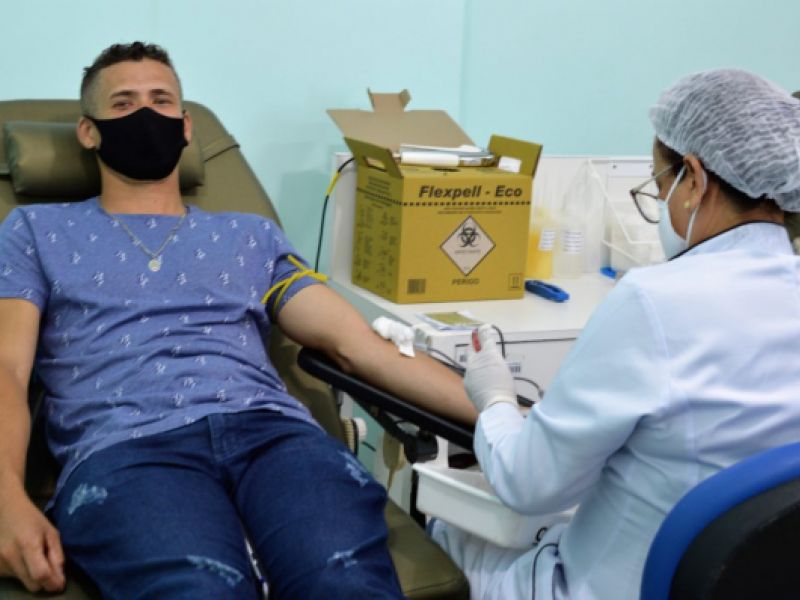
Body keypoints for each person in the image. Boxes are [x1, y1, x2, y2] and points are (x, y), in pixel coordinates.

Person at [0, 42, 476, 598]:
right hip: (126, 449)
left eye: (161, 101)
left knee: (345, 581)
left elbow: (357, 345)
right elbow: (8, 368)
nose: (146, 114)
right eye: (124, 104)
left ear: (185, 127)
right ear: (88, 132)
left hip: (275, 438)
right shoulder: (36, 231)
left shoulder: (249, 235)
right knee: (200, 590)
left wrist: (502, 412)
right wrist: (6, 499)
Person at [431, 68, 800, 599]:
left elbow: (528, 484)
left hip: (611, 587)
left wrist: (493, 399)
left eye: (660, 185)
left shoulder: (653, 300)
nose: (661, 204)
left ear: (694, 180)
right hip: (749, 583)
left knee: (441, 528)